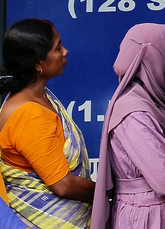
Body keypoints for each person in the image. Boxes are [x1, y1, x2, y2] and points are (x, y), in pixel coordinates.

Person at [0, 19, 94, 229]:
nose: (65, 52)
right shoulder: (28, 113)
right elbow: (63, 185)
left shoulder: (39, 98)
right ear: (38, 65)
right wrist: (112, 192)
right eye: (58, 48)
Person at [91, 23, 165, 229]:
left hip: (154, 211)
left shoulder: (148, 102)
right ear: (154, 56)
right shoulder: (133, 110)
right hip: (147, 217)